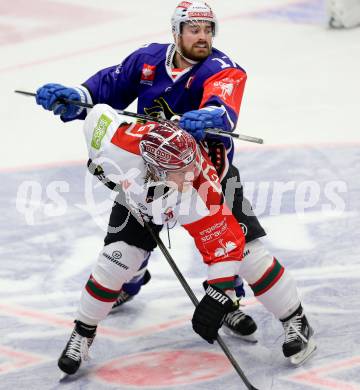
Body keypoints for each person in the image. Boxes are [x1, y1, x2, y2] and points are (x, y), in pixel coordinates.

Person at [34, 1, 316, 374]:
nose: (202, 37)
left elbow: (223, 105)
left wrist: (212, 116)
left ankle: (288, 318)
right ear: (176, 32)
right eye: (194, 29)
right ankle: (111, 302)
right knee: (118, 256)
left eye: (208, 30)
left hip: (204, 177)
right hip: (147, 175)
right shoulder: (148, 60)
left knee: (244, 252)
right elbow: (106, 88)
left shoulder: (222, 68)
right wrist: (76, 97)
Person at [56, 105, 314, 375]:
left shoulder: (199, 189)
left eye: (190, 166)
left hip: (204, 192)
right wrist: (99, 164)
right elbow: (98, 114)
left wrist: (217, 295)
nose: (189, 175)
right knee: (115, 261)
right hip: (138, 198)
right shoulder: (116, 146)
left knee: (249, 257)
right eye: (180, 171)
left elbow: (227, 245)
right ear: (154, 168)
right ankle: (83, 332)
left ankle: (294, 317)